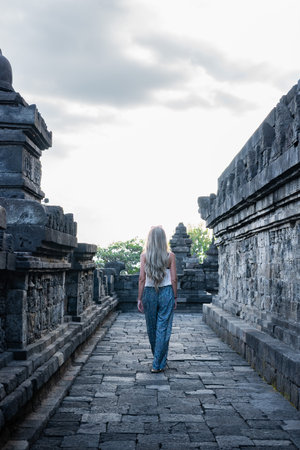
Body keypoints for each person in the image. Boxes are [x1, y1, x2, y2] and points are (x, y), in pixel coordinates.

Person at [137, 225, 177, 373]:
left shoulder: (144, 256)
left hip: (149, 292)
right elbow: (173, 279)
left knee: (152, 328)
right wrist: (175, 296)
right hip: (166, 291)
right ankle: (158, 362)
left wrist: (139, 298)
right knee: (163, 328)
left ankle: (157, 361)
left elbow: (142, 279)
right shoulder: (170, 256)